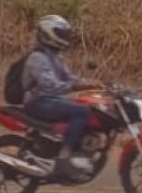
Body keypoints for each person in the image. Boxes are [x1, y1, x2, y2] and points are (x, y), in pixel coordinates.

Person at [22, 15, 97, 178]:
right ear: (49, 34)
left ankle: (77, 150)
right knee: (81, 111)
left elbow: (68, 77)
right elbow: (52, 85)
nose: (65, 38)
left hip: (49, 100)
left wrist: (91, 83)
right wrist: (77, 86)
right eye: (60, 33)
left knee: (91, 108)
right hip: (38, 103)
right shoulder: (37, 58)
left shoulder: (55, 57)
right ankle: (64, 156)